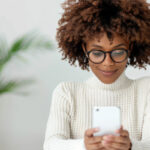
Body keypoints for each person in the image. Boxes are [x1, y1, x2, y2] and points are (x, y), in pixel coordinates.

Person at [43, 0, 150, 150]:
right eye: (98, 53)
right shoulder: (67, 93)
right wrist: (83, 145)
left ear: (130, 48)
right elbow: (50, 145)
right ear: (84, 49)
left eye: (118, 52)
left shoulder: (146, 90)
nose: (107, 63)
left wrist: (131, 146)